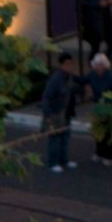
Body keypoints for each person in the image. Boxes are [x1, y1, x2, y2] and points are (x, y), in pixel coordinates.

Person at [38, 49, 81, 177]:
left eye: (71, 63)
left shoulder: (70, 78)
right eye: (67, 63)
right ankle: (53, 162)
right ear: (62, 65)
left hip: (66, 113)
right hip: (56, 113)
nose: (70, 66)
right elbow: (46, 97)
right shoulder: (56, 79)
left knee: (65, 137)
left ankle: (64, 160)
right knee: (55, 138)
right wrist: (48, 116)